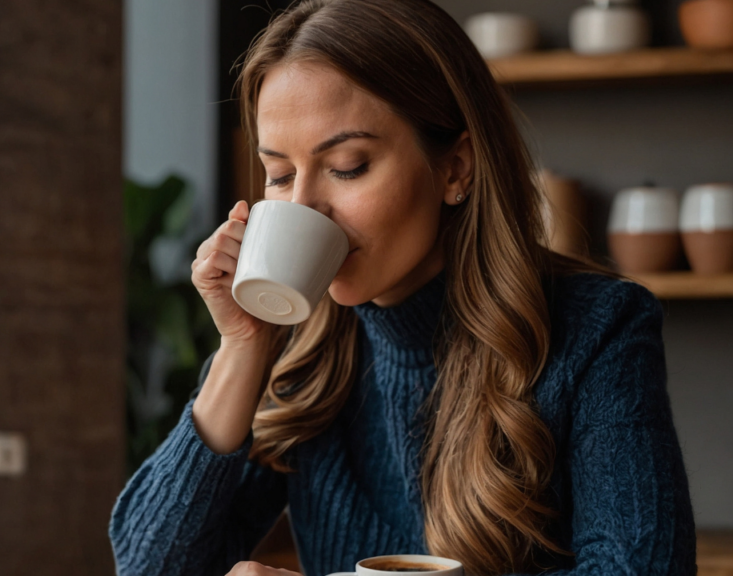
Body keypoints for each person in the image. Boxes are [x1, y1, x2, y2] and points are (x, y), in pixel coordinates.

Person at [109, 0, 696, 574]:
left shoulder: (598, 329)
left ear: (455, 169)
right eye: (280, 175)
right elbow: (148, 565)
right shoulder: (298, 350)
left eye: (348, 165)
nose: (306, 208)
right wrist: (241, 348)